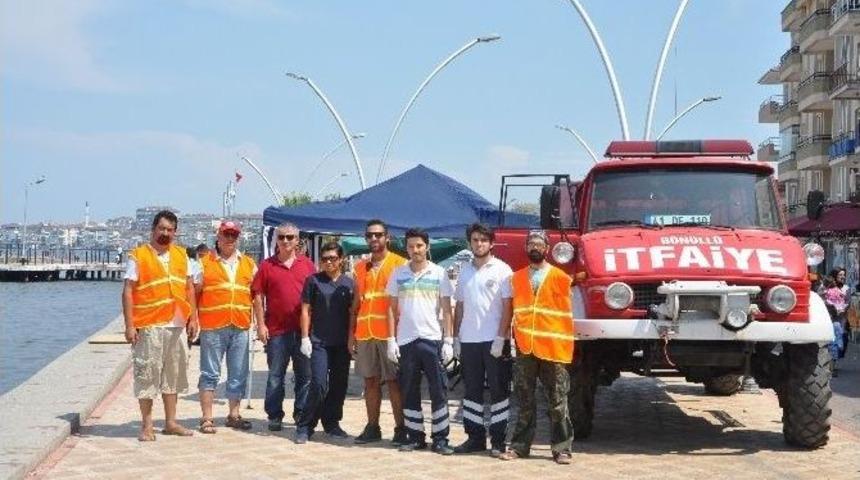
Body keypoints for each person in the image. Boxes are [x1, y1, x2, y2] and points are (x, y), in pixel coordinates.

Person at [121, 210, 199, 441]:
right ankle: (146, 426)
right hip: (149, 324)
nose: (165, 233)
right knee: (147, 374)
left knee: (173, 375)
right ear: (153, 229)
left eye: (170, 230)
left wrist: (193, 318)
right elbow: (127, 292)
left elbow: (189, 288)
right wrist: (129, 325)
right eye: (162, 228)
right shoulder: (139, 255)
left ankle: (171, 422)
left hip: (176, 324)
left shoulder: (182, 256)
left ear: (175, 232)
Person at [499, 230, 575, 465]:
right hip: (525, 348)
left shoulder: (561, 278)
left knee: (557, 400)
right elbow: (511, 311)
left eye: (539, 243)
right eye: (531, 243)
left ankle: (562, 449)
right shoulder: (516, 278)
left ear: (547, 248)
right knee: (524, 400)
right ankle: (520, 447)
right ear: (526, 247)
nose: (535, 246)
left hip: (553, 347)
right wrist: (502, 339)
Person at [387, 228, 456, 455]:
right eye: (410, 246)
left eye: (419, 246)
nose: (415, 250)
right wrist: (391, 340)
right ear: (406, 248)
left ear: (427, 246)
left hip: (432, 339)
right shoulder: (398, 273)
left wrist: (448, 340)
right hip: (406, 340)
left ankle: (441, 439)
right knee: (409, 390)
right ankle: (415, 437)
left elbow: (447, 310)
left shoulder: (439, 273)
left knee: (439, 390)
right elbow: (391, 309)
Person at [452, 223, 514, 457]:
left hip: (494, 340)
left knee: (499, 392)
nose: (479, 244)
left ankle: (498, 441)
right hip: (469, 341)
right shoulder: (464, 271)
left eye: (483, 240)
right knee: (472, 392)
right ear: (470, 242)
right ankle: (475, 438)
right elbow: (460, 306)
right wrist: (456, 337)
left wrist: (501, 337)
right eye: (475, 240)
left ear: (492, 243)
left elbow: (509, 307)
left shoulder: (502, 270)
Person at [349, 219, 408, 444]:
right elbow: (355, 305)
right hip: (365, 334)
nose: (374, 239)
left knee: (394, 382)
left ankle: (401, 428)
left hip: (390, 335)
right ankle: (372, 427)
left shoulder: (400, 265)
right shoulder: (360, 267)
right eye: (370, 235)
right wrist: (351, 335)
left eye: (378, 235)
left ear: (387, 237)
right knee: (370, 383)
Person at [252, 222, 314, 432]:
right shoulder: (267, 266)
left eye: (290, 237)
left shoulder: (307, 265)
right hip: (276, 331)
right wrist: (260, 325)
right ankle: (274, 415)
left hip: (303, 331)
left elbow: (315, 298)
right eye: (282, 237)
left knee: (305, 375)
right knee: (275, 376)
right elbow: (257, 296)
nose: (286, 241)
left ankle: (301, 412)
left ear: (297, 240)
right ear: (276, 240)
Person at [195, 221, 256, 434]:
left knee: (238, 372)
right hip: (213, 327)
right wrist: (193, 319)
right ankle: (207, 417)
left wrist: (260, 322)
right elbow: (195, 293)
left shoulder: (248, 263)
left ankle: (234, 414)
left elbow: (256, 297)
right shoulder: (204, 262)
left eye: (234, 234)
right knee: (210, 373)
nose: (230, 238)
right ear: (218, 236)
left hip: (240, 325)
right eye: (226, 234)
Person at [295, 241, 354, 443]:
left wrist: (352, 339)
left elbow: (352, 314)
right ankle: (305, 425)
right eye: (325, 259)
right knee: (318, 383)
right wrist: (304, 337)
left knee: (339, 385)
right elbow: (305, 310)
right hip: (319, 342)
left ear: (341, 260)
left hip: (341, 343)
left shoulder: (349, 283)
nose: (329, 262)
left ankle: (332, 423)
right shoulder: (313, 281)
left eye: (333, 258)